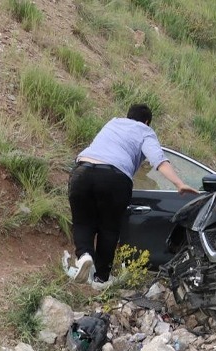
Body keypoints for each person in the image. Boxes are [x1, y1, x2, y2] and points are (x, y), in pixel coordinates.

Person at [67, 104, 198, 289]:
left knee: (82, 222)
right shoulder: (145, 131)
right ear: (146, 122)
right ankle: (101, 278)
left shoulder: (113, 123)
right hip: (114, 177)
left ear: (127, 116)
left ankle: (84, 256)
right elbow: (158, 160)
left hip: (82, 171)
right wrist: (178, 183)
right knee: (109, 228)